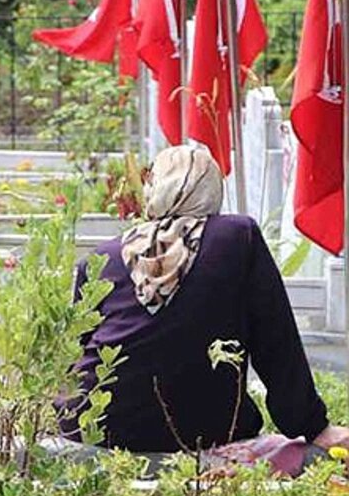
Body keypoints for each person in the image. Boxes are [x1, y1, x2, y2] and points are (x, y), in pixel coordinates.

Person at [58, 146, 349, 455]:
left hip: (94, 428)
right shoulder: (237, 236)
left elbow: (73, 355)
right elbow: (276, 343)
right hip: (204, 431)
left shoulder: (104, 256)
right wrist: (312, 425)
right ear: (211, 189)